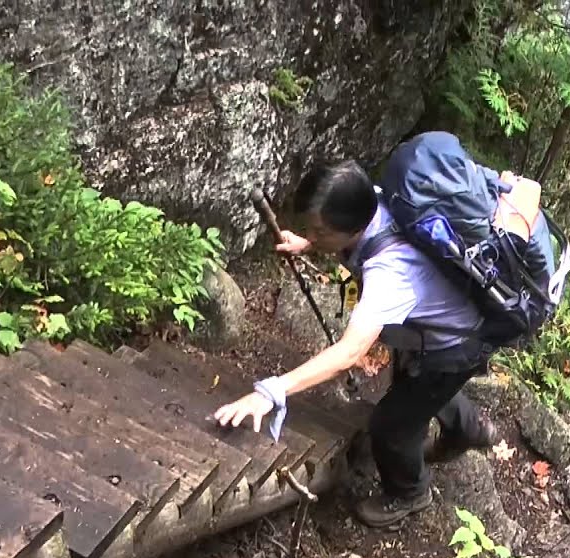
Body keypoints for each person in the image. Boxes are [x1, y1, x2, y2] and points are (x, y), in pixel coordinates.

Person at [213, 160, 498, 528]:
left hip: (452, 343)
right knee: (419, 389)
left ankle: (411, 493)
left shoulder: (389, 273)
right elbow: (343, 237)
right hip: (431, 323)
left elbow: (349, 352)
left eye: (318, 230)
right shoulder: (377, 200)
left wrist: (271, 391)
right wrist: (308, 243)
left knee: (391, 426)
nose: (311, 234)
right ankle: (470, 429)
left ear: (352, 226)